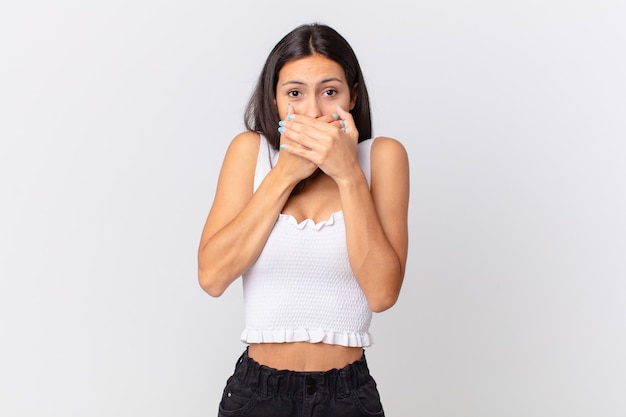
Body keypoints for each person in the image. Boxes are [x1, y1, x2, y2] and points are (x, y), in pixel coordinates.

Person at [197, 22, 409, 417]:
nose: (312, 111)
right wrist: (285, 173)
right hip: (257, 393)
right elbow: (212, 277)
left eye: (330, 92)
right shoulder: (250, 153)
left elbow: (382, 293)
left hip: (348, 395)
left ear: (353, 96)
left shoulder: (381, 159)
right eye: (295, 93)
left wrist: (347, 173)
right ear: (275, 100)